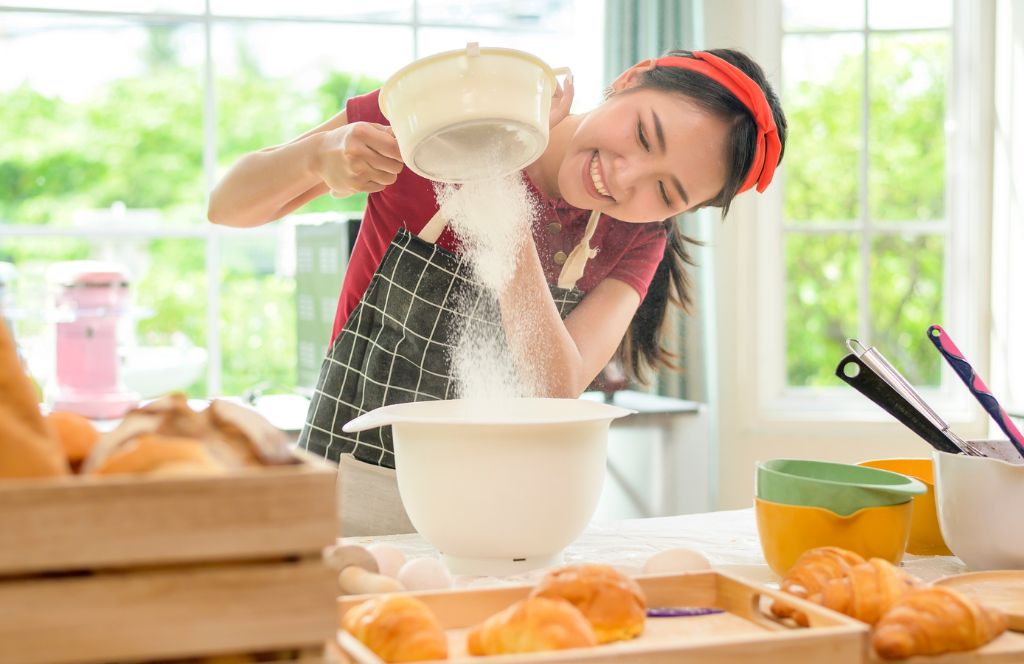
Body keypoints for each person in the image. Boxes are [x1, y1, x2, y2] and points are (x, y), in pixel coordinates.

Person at [208, 48, 787, 535]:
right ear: (628, 80)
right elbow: (227, 205)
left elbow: (554, 387)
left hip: (505, 518)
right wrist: (318, 157)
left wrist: (492, 177)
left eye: (665, 192)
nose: (625, 176)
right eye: (641, 133)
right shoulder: (445, 118)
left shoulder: (634, 240)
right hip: (353, 496)